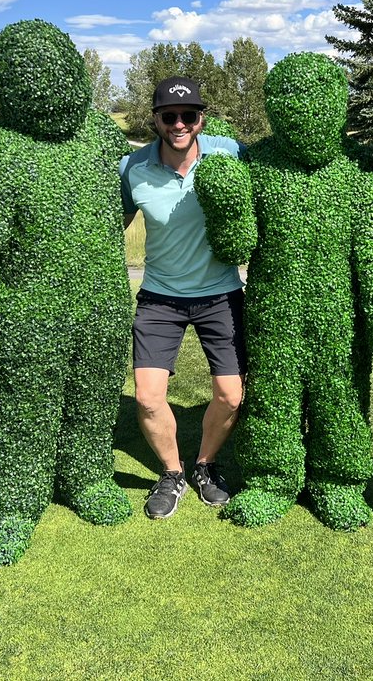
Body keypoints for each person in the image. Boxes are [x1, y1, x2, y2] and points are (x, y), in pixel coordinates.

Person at [120, 77, 246, 519]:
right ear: (155, 119)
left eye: (187, 115)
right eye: (169, 116)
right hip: (160, 298)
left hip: (221, 295)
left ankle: (205, 466)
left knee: (231, 396)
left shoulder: (229, 154)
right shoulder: (132, 168)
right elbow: (110, 227)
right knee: (147, 397)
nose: (179, 124)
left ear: (201, 119)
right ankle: (172, 473)